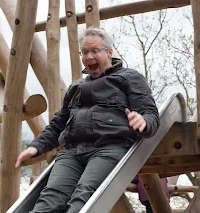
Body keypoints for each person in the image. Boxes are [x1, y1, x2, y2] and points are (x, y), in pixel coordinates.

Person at [15, 27, 160, 213]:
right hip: (72, 152)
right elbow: (59, 122)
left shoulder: (129, 78)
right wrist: (37, 146)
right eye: (84, 52)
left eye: (94, 51)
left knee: (83, 196)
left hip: (109, 147)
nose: (88, 56)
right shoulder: (77, 86)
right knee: (50, 199)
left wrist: (143, 121)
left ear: (109, 52)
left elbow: (150, 113)